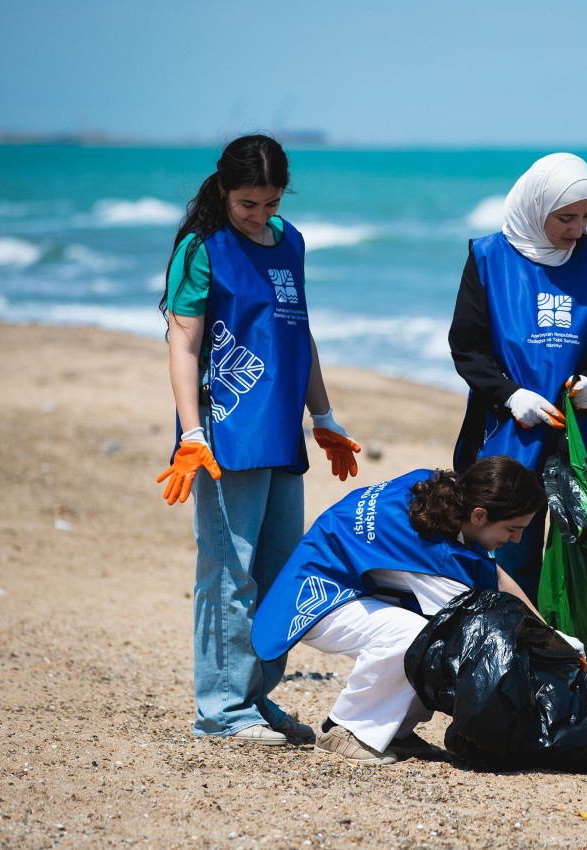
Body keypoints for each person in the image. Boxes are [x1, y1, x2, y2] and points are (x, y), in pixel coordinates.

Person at [157, 134, 362, 746]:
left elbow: (300, 336)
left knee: (277, 572)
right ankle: (220, 709)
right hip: (225, 433)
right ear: (223, 189)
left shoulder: (290, 241)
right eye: (248, 202)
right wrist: (192, 432)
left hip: (281, 431)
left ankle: (254, 697)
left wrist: (324, 417)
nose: (260, 215)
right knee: (228, 570)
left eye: (270, 202)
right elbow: (183, 344)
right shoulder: (202, 248)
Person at [448, 152, 587, 722]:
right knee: (509, 565)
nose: (578, 232)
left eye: (586, 217)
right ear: (535, 208)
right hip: (506, 439)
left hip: (579, 442)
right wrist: (510, 394)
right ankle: (508, 696)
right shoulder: (488, 257)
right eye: (566, 219)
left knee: (581, 567)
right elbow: (466, 348)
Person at [250, 457, 579, 764]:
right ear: (479, 515)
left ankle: (394, 730)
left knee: (430, 637)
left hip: (350, 581)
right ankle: (346, 729)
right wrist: (549, 651)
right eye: (512, 529)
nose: (519, 540)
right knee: (423, 638)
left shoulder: (431, 490)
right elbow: (477, 626)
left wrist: (551, 636)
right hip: (316, 598)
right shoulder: (435, 558)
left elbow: (496, 576)